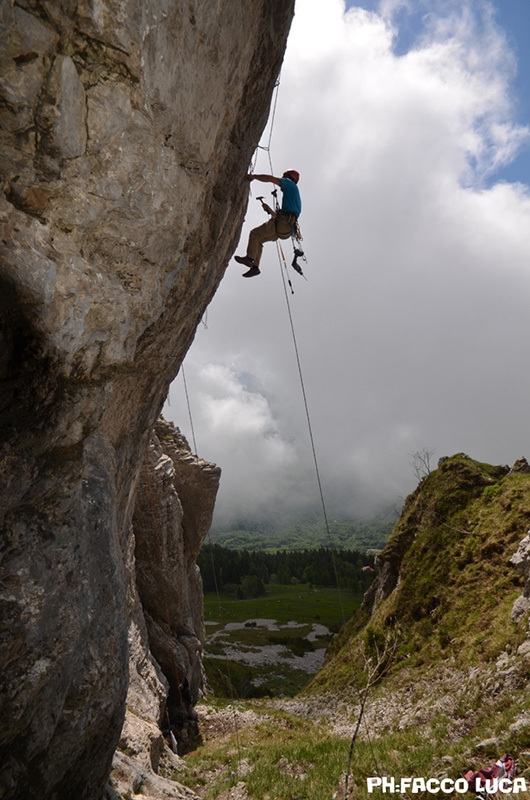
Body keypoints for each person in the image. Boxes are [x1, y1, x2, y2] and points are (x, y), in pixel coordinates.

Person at [235, 170, 301, 277]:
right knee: (258, 240)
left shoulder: (288, 183)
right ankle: (255, 268)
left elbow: (270, 179)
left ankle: (249, 258)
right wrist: (269, 209)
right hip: (285, 230)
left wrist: (253, 177)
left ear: (287, 177)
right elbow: (280, 218)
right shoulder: (293, 196)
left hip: (283, 223)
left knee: (255, 234)